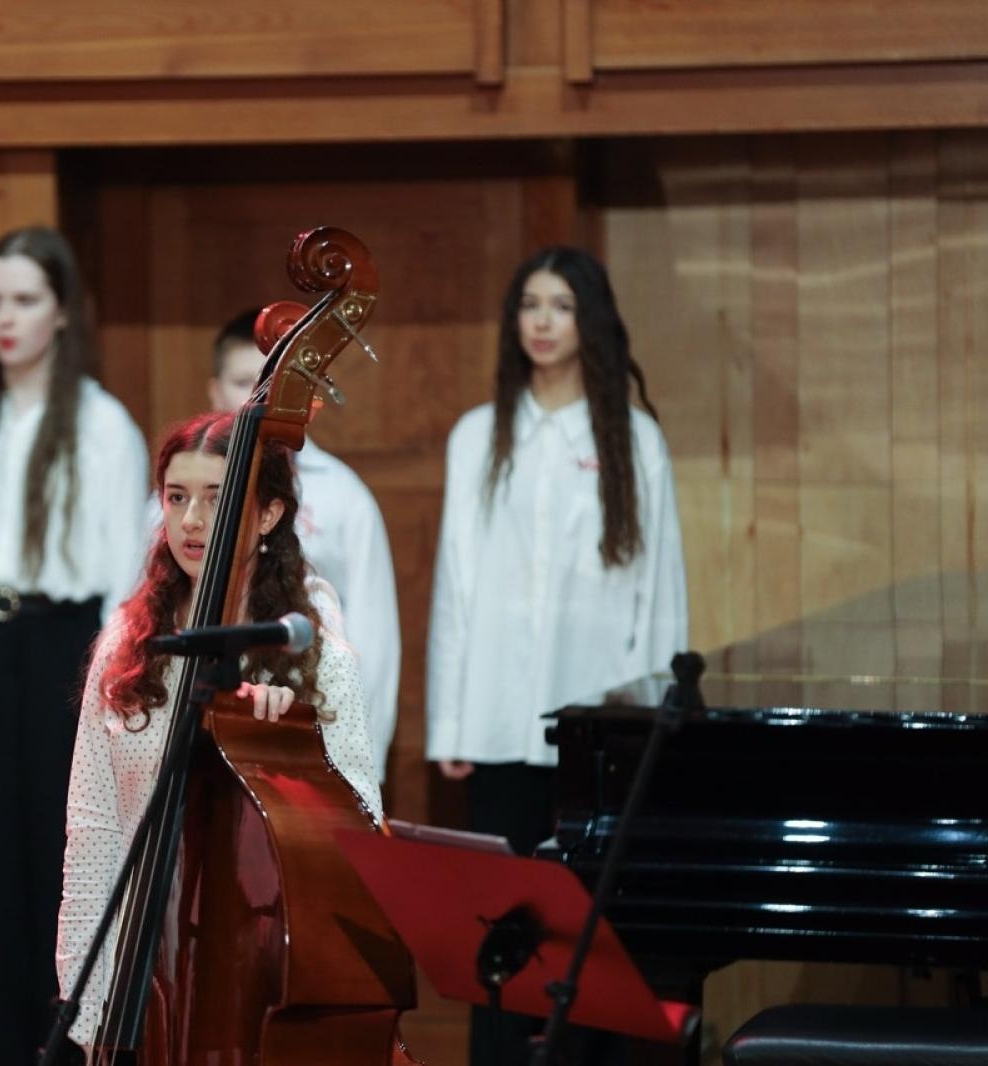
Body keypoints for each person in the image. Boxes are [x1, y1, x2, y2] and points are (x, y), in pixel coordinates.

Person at [424, 246, 688, 1066]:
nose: (541, 322)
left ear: (592, 322)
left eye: (561, 306)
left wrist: (656, 720)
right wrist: (450, 720)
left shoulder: (632, 439)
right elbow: (455, 583)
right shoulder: (480, 435)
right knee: (502, 933)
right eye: (529, 305)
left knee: (590, 931)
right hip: (499, 724)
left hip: (598, 729)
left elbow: (659, 587)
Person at [54, 410, 381, 1050]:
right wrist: (87, 1007)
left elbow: (363, 829)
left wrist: (290, 745)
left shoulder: (316, 660)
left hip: (261, 978)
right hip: (146, 978)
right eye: (176, 499)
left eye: (218, 498)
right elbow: (92, 833)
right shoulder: (127, 646)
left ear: (268, 514)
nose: (193, 521)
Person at [0, 225, 150, 1066]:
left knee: (59, 872)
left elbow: (129, 575)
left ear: (61, 313)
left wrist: (111, 691)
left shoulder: (100, 424)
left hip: (63, 648)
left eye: (24, 300)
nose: (4, 319)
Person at [206, 309, 401, 780]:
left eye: (274, 381)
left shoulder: (344, 493)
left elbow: (375, 635)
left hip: (312, 732)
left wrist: (363, 754)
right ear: (214, 392)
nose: (258, 397)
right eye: (241, 381)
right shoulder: (183, 494)